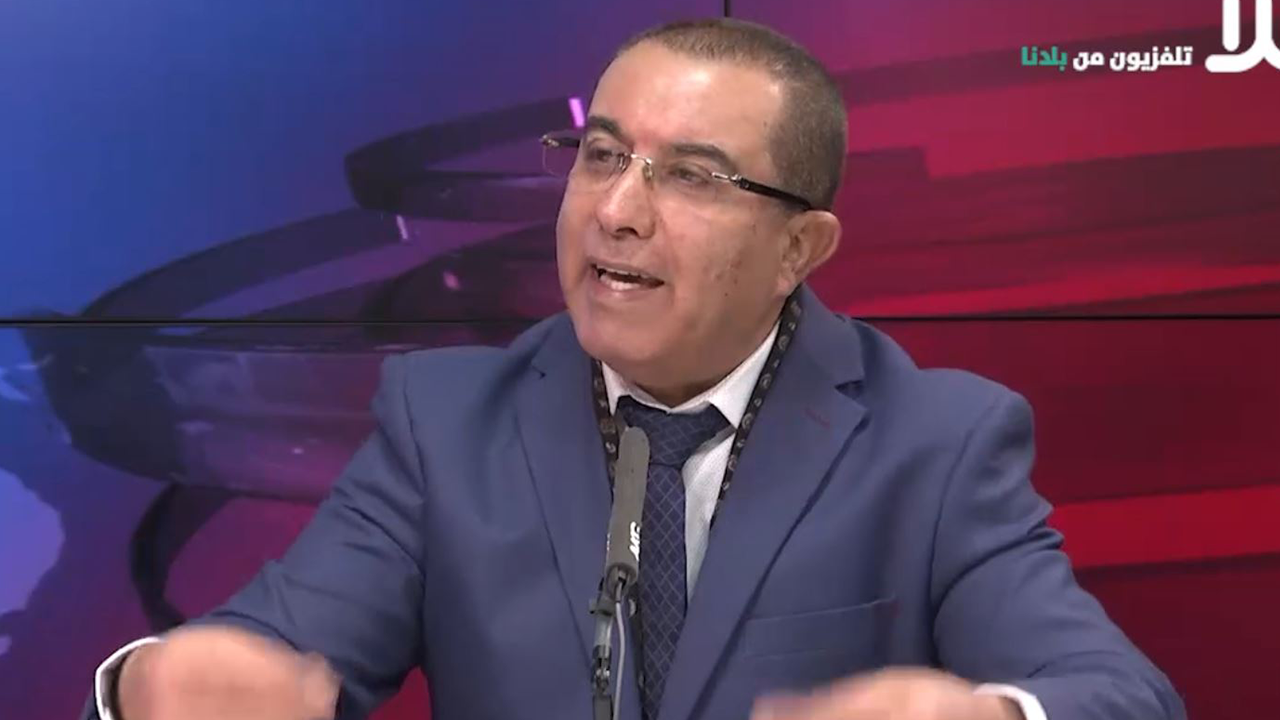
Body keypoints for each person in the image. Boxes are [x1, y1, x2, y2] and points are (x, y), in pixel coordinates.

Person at [85, 18, 1185, 720]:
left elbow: (1121, 696)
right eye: (602, 155)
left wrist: (991, 718)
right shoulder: (447, 423)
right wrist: (152, 685)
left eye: (691, 176)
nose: (615, 209)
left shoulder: (934, 442)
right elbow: (270, 650)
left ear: (798, 250)